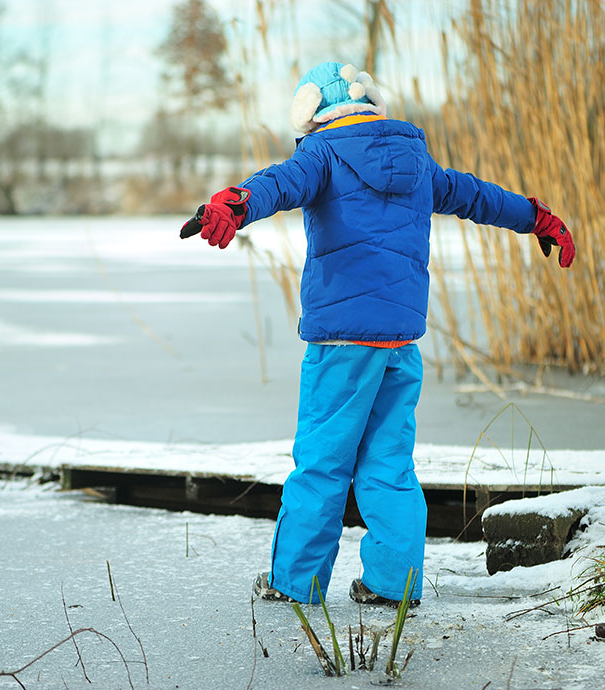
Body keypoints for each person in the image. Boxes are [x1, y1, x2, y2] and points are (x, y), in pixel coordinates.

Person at [180, 61, 575, 606]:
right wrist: (536, 217)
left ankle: (295, 584)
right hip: (399, 342)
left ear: (311, 111)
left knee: (322, 463)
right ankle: (395, 585)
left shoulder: (322, 152)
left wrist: (237, 202)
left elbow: (278, 184)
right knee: (390, 465)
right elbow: (477, 196)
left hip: (341, 341)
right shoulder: (416, 160)